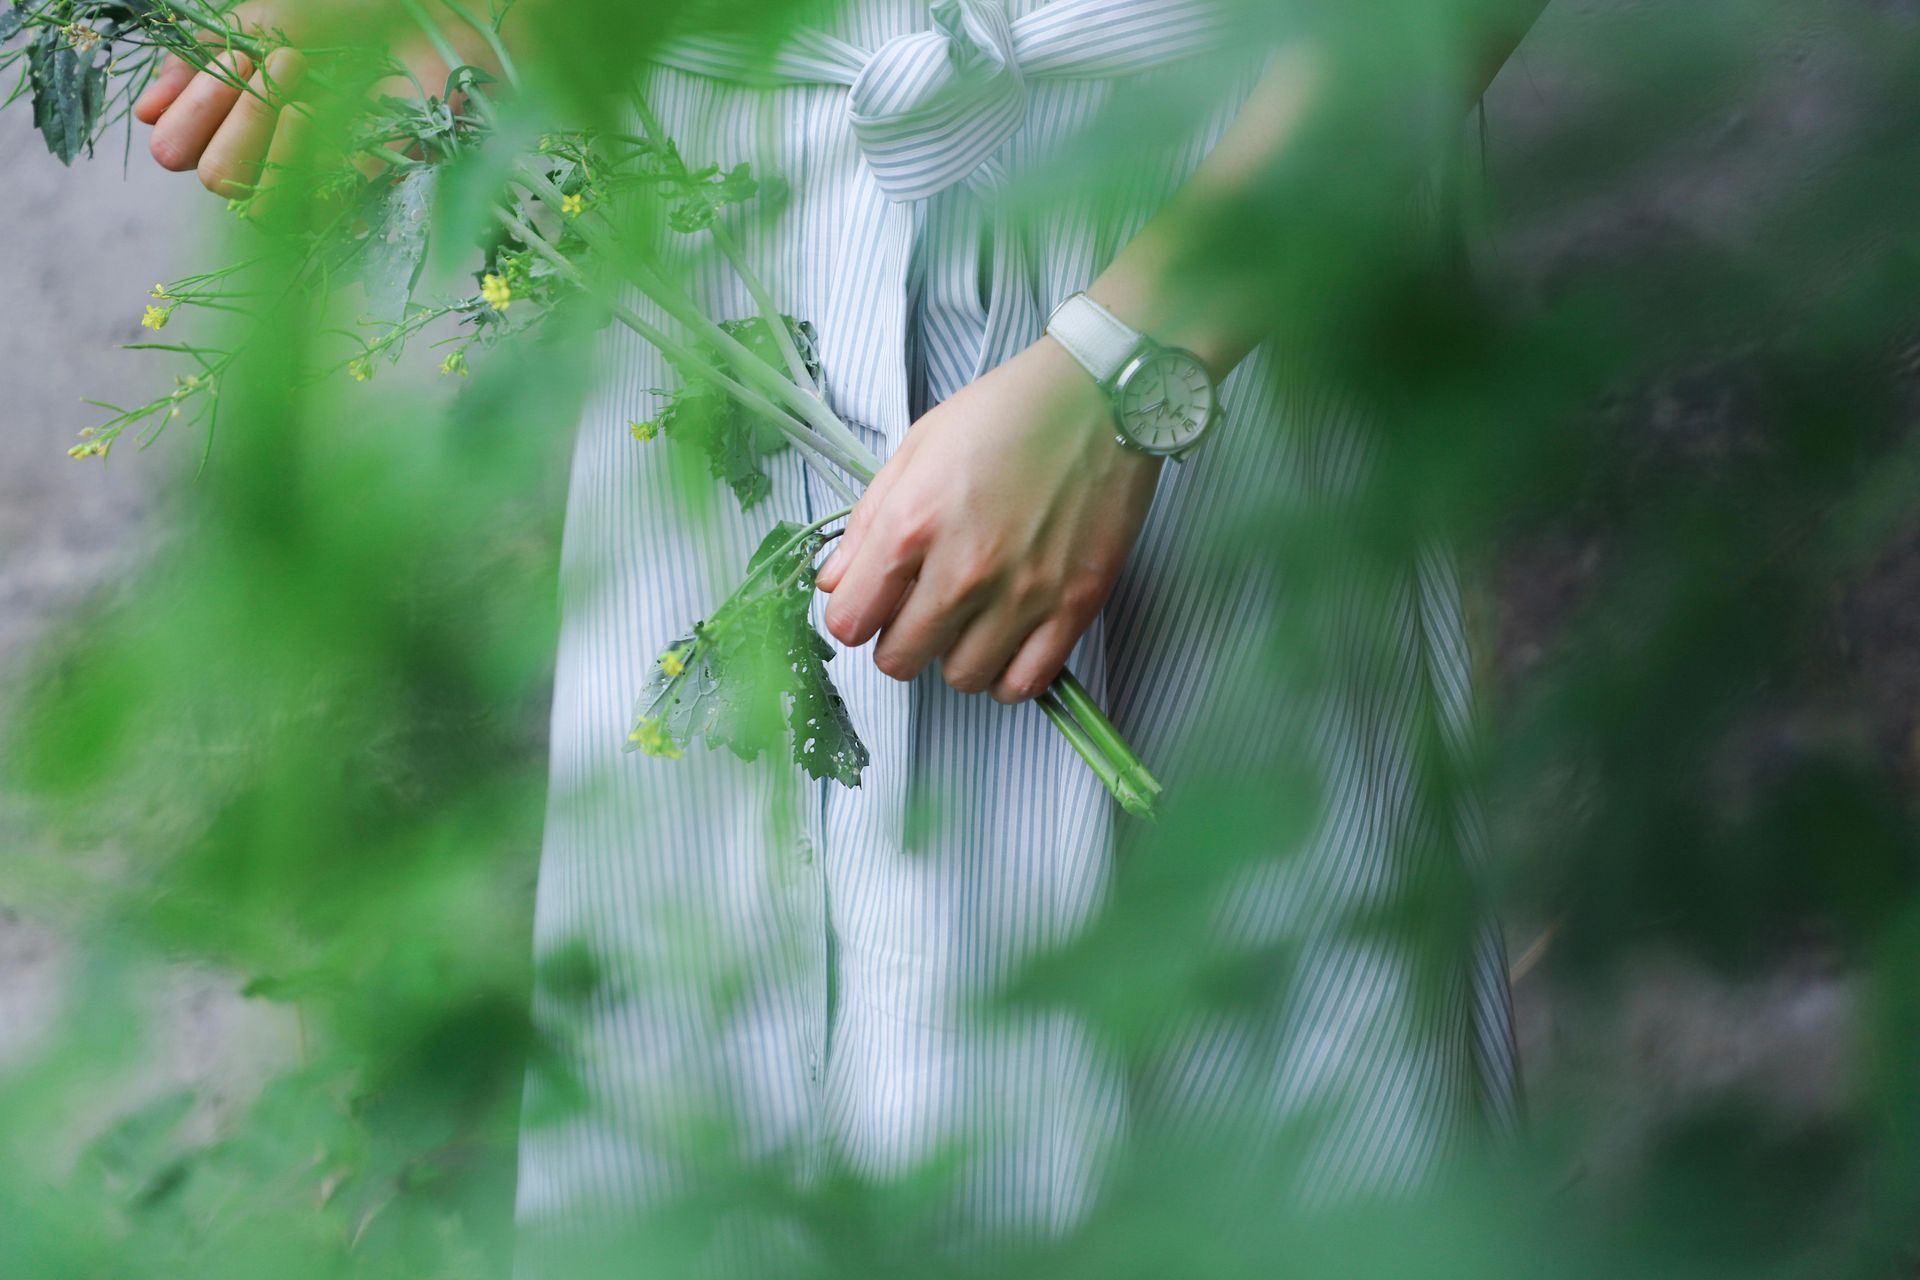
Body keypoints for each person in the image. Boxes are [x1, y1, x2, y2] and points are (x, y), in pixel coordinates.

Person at [133, 0, 1544, 1255]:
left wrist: (1128, 366)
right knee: (720, 1066)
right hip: (740, 250)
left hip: (1198, 216)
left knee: (1261, 1036)